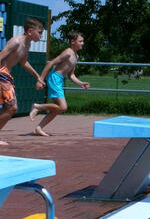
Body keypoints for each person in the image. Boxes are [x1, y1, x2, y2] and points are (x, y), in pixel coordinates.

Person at [29, 31, 89, 136]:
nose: (82, 43)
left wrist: (81, 83)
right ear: (72, 41)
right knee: (63, 107)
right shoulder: (68, 52)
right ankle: (37, 107)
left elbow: (71, 75)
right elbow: (51, 63)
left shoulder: (76, 56)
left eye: (83, 41)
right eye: (80, 41)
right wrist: (40, 79)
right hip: (54, 78)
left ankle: (38, 128)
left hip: (59, 80)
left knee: (56, 109)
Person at [0, 17, 45, 145]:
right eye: (40, 32)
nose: (41, 35)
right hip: (2, 75)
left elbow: (23, 62)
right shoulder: (16, 42)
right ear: (30, 31)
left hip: (6, 76)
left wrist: (38, 76)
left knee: (9, 108)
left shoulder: (27, 43)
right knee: (12, 108)